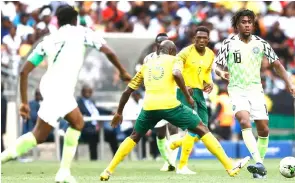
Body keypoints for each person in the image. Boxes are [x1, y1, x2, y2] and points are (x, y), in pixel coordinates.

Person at [0, 5, 131, 183]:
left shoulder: (48, 39)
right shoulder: (83, 33)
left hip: (50, 87)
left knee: (76, 123)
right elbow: (108, 51)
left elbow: (24, 72)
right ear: (75, 19)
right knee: (40, 134)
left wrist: (24, 102)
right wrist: (122, 72)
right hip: (60, 90)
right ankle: (61, 172)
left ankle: (63, 172)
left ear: (58, 21)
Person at [99, 40, 250, 181]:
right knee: (202, 128)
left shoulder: (147, 64)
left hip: (149, 108)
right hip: (170, 106)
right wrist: (187, 95)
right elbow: (177, 74)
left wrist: (119, 113)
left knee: (134, 136)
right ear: (172, 51)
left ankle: (108, 170)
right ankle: (229, 167)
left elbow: (127, 91)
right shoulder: (174, 60)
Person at [213, 9, 295, 179]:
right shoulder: (228, 43)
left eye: (249, 22)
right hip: (237, 89)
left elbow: (277, 65)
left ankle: (259, 167)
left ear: (253, 25)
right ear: (237, 25)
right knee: (245, 121)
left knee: (263, 129)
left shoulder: (261, 43)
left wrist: (290, 83)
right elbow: (217, 65)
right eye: (243, 22)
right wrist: (222, 73)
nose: (246, 25)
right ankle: (259, 163)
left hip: (256, 90)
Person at [168, 26, 214, 174]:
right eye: (198, 37)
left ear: (208, 39)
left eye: (204, 38)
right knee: (195, 128)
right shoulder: (185, 53)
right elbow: (175, 71)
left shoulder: (210, 54)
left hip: (199, 93)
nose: (201, 40)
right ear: (194, 39)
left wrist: (209, 82)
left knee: (204, 130)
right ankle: (182, 166)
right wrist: (184, 87)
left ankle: (177, 143)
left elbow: (206, 71)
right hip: (185, 92)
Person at [140, 33, 180, 171]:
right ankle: (167, 161)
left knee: (173, 127)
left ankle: (173, 162)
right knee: (160, 132)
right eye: (161, 42)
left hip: (171, 95)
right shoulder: (148, 58)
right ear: (156, 44)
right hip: (154, 97)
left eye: (166, 42)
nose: (163, 44)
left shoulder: (175, 58)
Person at [77, 85, 118, 161]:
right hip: (87, 128)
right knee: (93, 136)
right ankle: (94, 159)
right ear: (83, 92)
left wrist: (111, 112)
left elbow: (98, 109)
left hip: (98, 127)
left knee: (111, 134)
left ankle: (117, 157)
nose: (89, 93)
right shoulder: (79, 102)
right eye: (87, 92)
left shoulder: (91, 102)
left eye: (90, 92)